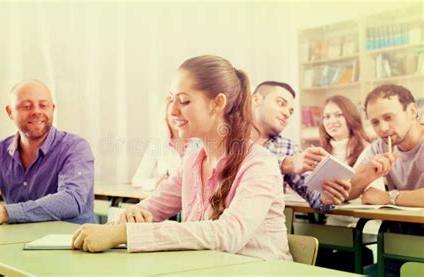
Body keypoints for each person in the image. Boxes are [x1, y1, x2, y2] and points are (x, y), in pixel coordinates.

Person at [72, 55, 292, 261]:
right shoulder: (192, 161)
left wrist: (126, 234)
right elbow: (152, 207)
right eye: (171, 100)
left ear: (217, 103)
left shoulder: (259, 163)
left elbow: (228, 234)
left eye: (184, 101)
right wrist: (123, 222)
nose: (173, 110)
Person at [0, 80, 95, 225]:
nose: (37, 111)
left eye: (43, 105)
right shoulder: (0, 152)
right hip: (16, 243)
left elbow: (71, 200)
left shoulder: (75, 148)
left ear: (52, 109)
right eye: (26, 106)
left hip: (71, 243)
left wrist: (5, 213)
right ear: (10, 112)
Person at [250, 81, 351, 211]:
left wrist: (325, 197)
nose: (286, 113)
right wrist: (284, 164)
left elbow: (313, 194)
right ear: (256, 100)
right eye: (280, 103)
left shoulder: (289, 148)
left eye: (290, 111)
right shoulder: (228, 135)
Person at [317, 95, 384, 272]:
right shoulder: (320, 152)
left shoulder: (370, 151)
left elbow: (372, 198)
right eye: (327, 116)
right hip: (331, 230)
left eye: (339, 115)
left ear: (351, 117)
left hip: (362, 231)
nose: (332, 121)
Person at [350, 84, 423, 207]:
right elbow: (345, 192)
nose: (383, 129)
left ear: (412, 111)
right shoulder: (379, 147)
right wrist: (368, 175)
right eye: (375, 122)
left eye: (389, 117)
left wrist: (388, 197)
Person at [132, 98, 193, 191]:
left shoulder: (199, 143)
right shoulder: (157, 145)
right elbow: (137, 180)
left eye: (182, 112)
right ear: (166, 117)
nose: (178, 117)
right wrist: (157, 182)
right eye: (173, 114)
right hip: (167, 199)